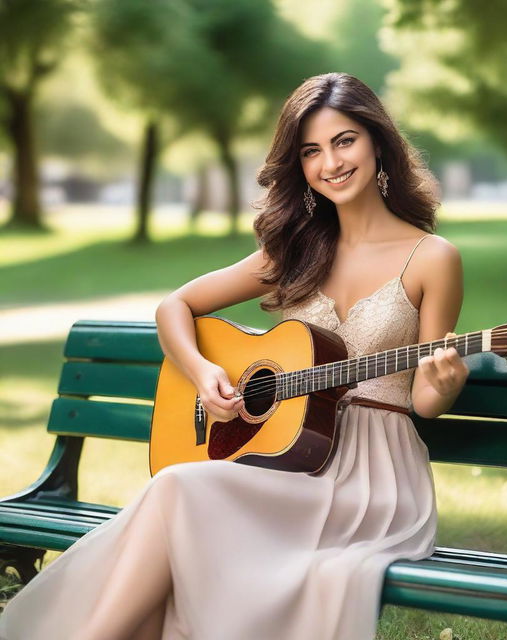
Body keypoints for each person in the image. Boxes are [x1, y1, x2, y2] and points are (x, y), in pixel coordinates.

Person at [0, 72, 469, 640]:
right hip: (291, 461)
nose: (331, 163)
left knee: (176, 494)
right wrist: (203, 374)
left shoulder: (432, 257)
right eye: (311, 151)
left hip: (374, 480)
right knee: (178, 496)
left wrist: (442, 384)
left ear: (377, 143)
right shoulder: (295, 251)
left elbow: (423, 399)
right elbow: (176, 306)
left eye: (345, 141)